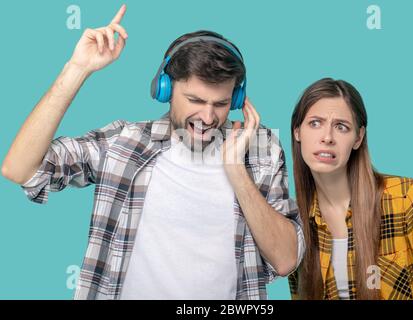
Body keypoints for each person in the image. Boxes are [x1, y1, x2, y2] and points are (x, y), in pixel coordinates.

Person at [1, 5, 304, 300]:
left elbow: (285, 260)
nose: (208, 117)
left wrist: (235, 167)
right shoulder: (125, 142)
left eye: (221, 104)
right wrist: (77, 69)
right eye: (195, 100)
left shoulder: (260, 148)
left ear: (236, 98)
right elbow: (19, 169)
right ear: (164, 89)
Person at [288, 77, 413, 300]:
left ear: (358, 137)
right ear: (297, 132)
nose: (327, 137)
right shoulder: (297, 225)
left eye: (341, 127)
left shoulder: (407, 198)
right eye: (315, 123)